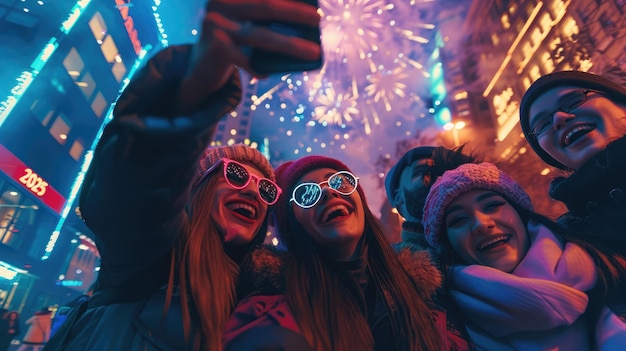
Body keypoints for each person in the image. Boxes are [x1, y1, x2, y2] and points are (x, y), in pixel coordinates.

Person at [43, 0, 321, 350]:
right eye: (236, 174)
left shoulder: (268, 295)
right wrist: (192, 91)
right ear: (197, 187)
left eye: (267, 189)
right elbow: (139, 182)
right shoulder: (148, 253)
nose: (253, 192)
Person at [224, 155, 472, 351]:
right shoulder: (267, 310)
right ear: (292, 227)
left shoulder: (429, 293)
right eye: (306, 194)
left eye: (339, 181)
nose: (328, 192)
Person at [422, 162, 626, 350]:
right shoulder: (448, 330)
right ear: (449, 245)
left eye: (492, 205)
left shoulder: (607, 262)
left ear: (520, 212)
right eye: (458, 219)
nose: (482, 224)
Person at [519, 70, 626, 243]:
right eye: (543, 124)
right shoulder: (565, 244)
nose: (559, 119)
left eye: (574, 100)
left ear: (621, 103)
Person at [384, 145, 480, 250]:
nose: (439, 177)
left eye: (443, 170)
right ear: (399, 197)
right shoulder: (391, 263)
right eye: (422, 171)